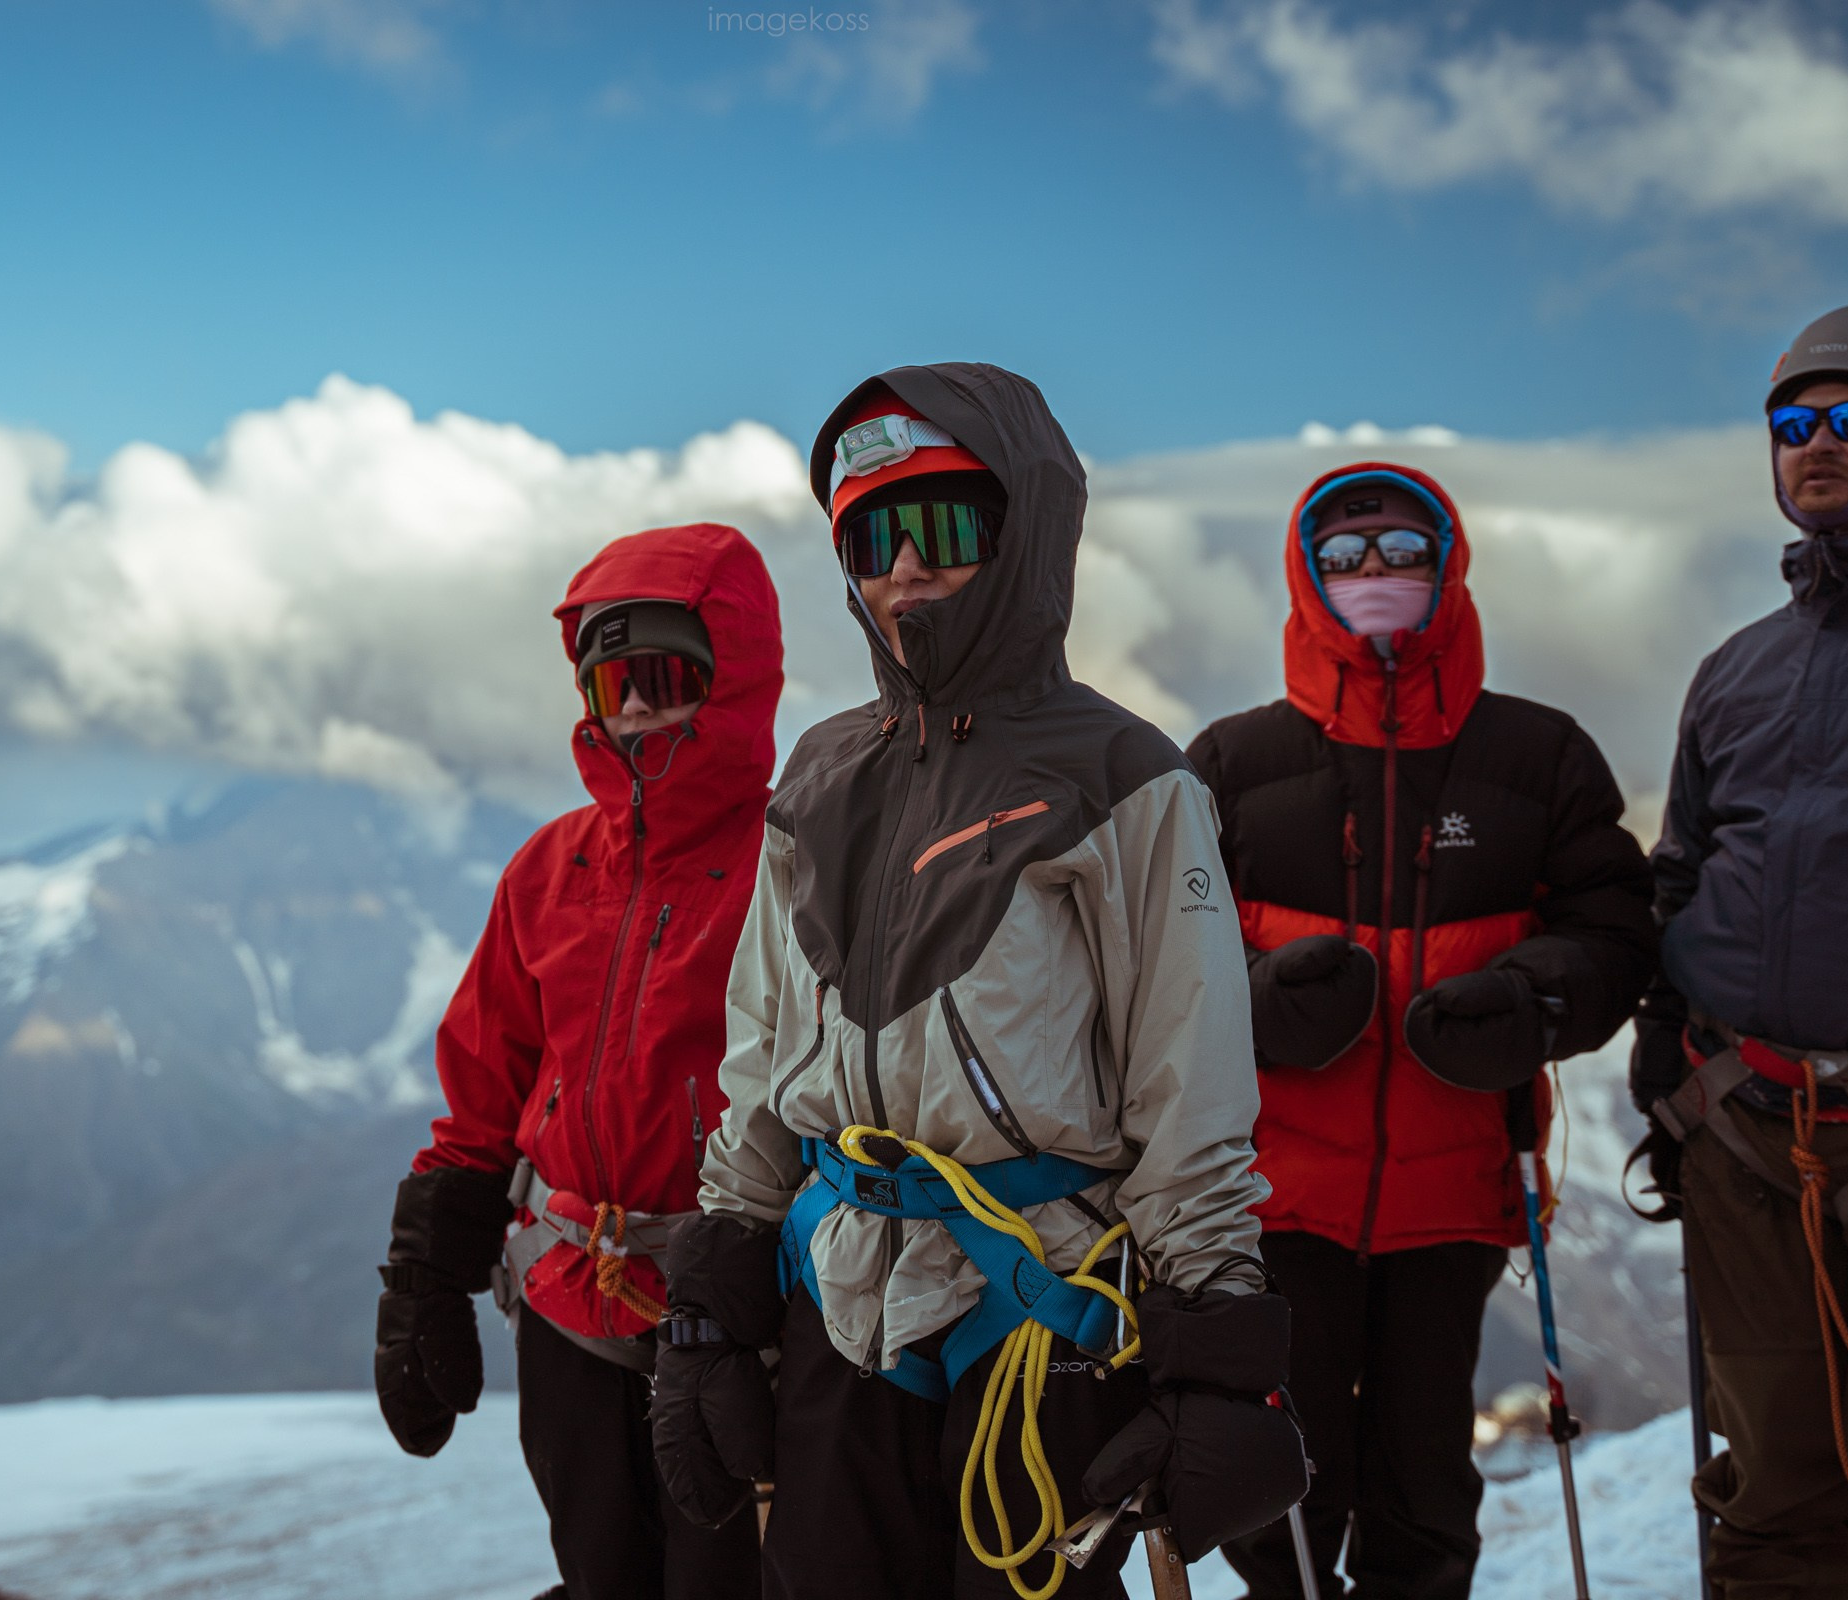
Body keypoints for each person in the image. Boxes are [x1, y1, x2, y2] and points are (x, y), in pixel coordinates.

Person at [650, 363, 1307, 1600]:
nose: (904, 565)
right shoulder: (821, 773)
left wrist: (1218, 1353)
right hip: (836, 1300)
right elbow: (762, 1057)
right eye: (869, 536)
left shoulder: (1125, 777)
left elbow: (1191, 1089)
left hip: (1038, 1314)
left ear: (1024, 530)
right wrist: (714, 1299)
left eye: (945, 524)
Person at [1187, 463, 1656, 1598]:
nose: (1375, 575)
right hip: (1273, 1198)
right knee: (1282, 1501)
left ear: (1448, 569)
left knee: (1424, 1491)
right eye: (1345, 557)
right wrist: (1255, 1001)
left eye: (1404, 550)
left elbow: (1616, 929)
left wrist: (1539, 997)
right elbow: (1150, 968)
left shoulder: (1536, 759)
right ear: (1306, 578)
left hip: (1454, 1199)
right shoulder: (1230, 768)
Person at [1633, 303, 1848, 1599]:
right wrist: (1663, 1036)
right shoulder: (1740, 670)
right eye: (1792, 426)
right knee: (1773, 1489)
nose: (1815, 447)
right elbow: (1682, 871)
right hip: (1742, 1126)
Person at [373, 521, 782, 1600]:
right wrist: (426, 1273)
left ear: (730, 678)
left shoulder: (792, 860)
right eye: (612, 684)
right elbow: (485, 1081)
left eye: (665, 675)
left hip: (743, 1314)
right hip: (568, 1302)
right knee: (601, 1576)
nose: (637, 706)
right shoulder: (548, 869)